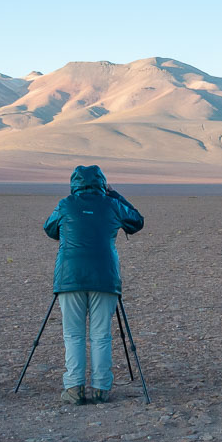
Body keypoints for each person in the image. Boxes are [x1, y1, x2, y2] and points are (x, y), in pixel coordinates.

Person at [43, 165, 144, 404]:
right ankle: (101, 389)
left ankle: (74, 388)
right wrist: (114, 194)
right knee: (101, 335)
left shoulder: (66, 204)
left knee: (73, 335)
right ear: (102, 184)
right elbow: (136, 221)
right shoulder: (111, 204)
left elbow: (49, 229)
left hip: (70, 279)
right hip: (105, 279)